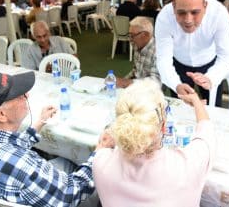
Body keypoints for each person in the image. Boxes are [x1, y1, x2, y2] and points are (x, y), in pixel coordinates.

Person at [0, 71, 114, 207]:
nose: (27, 95)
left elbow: (12, 147)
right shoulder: (25, 167)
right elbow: (69, 194)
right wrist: (99, 152)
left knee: (65, 162)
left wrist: (39, 123)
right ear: (1, 114)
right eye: (19, 96)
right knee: (100, 184)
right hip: (56, 197)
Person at [93, 79, 216, 207]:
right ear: (163, 127)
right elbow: (206, 133)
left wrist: (106, 143)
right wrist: (197, 102)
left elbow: (102, 147)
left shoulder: (100, 163)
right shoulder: (187, 165)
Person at [155, 0, 229, 106]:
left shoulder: (219, 13)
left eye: (195, 12)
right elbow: (163, 59)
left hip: (210, 63)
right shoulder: (164, 17)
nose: (188, 20)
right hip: (178, 64)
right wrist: (176, 85)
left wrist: (212, 77)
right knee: (180, 107)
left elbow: (226, 55)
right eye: (181, 12)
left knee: (213, 107)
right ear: (173, 6)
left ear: (205, 6)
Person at [116, 16, 159, 88]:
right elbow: (136, 70)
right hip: (137, 88)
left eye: (132, 35)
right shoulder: (138, 45)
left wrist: (128, 83)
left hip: (152, 92)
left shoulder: (158, 52)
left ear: (146, 35)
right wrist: (123, 80)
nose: (130, 39)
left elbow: (156, 82)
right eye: (129, 35)